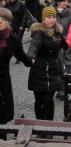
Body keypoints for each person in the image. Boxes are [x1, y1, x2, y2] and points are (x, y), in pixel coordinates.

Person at [27, 7, 68, 121]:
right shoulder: (39, 33)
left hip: (53, 70)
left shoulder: (57, 32)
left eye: (54, 17)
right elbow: (34, 46)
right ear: (43, 19)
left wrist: (66, 43)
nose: (52, 20)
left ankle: (48, 126)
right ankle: (39, 123)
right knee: (39, 101)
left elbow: (65, 45)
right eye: (49, 17)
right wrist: (31, 57)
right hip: (39, 71)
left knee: (49, 101)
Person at [0, 8, 32, 140]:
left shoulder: (13, 40)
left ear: (9, 22)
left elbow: (23, 57)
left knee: (2, 119)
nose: (0, 21)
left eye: (4, 19)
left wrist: (31, 61)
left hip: (3, 83)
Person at [54, 0, 71, 100]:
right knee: (56, 66)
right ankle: (58, 88)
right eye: (64, 1)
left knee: (65, 66)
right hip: (53, 42)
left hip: (66, 42)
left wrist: (68, 41)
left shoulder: (70, 12)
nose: (66, 3)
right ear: (59, 2)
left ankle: (63, 89)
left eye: (66, 1)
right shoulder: (52, 11)